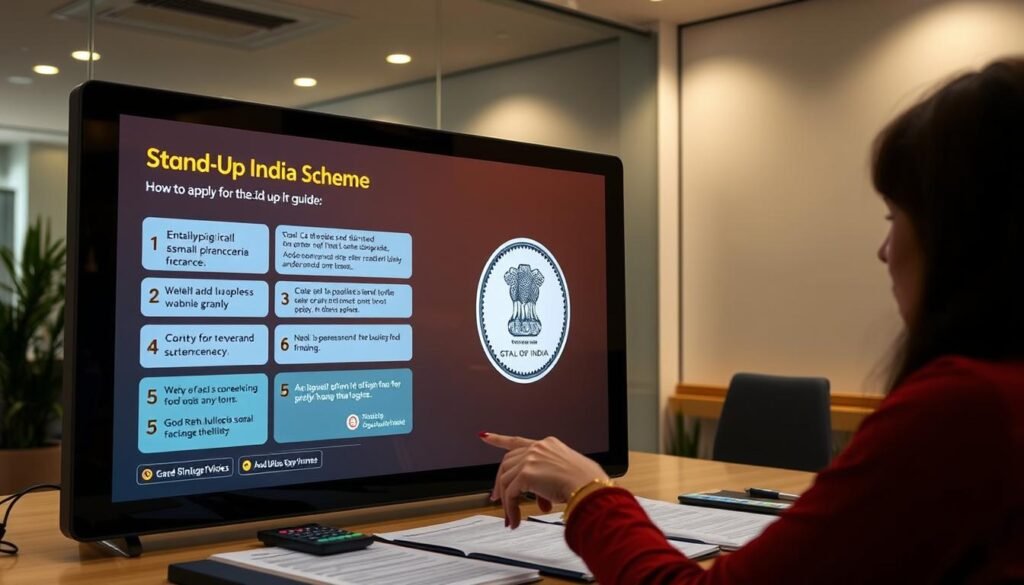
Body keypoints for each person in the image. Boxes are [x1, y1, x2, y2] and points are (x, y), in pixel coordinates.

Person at [481, 57, 1024, 584]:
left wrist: (587, 493)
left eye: (895, 218)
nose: (885, 250)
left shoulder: (965, 411)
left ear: (964, 238)